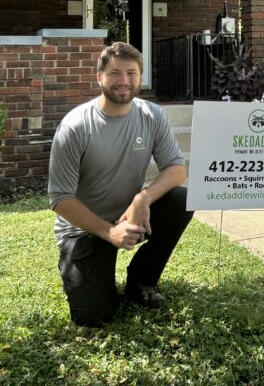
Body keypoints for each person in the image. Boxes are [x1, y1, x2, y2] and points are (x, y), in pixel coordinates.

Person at [48, 41, 193, 326]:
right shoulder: (75, 126)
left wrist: (142, 199)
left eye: (131, 73)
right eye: (114, 73)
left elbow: (176, 170)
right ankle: (94, 274)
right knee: (93, 316)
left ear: (140, 78)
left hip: (130, 217)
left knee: (182, 200)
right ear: (99, 76)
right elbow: (60, 198)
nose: (124, 81)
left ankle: (141, 283)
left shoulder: (152, 115)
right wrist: (110, 232)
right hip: (84, 231)